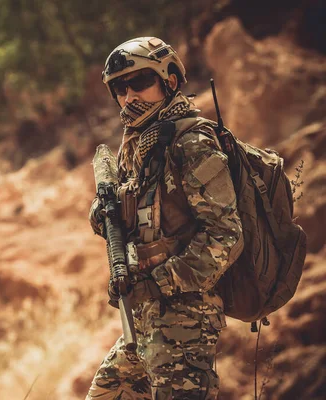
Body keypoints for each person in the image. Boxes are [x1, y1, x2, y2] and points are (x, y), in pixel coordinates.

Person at [86, 37, 243, 400]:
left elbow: (226, 237)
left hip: (185, 326)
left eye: (139, 82)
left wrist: (158, 283)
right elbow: (136, 221)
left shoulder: (193, 143)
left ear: (169, 80)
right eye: (120, 89)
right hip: (143, 322)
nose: (129, 97)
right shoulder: (141, 145)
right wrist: (105, 215)